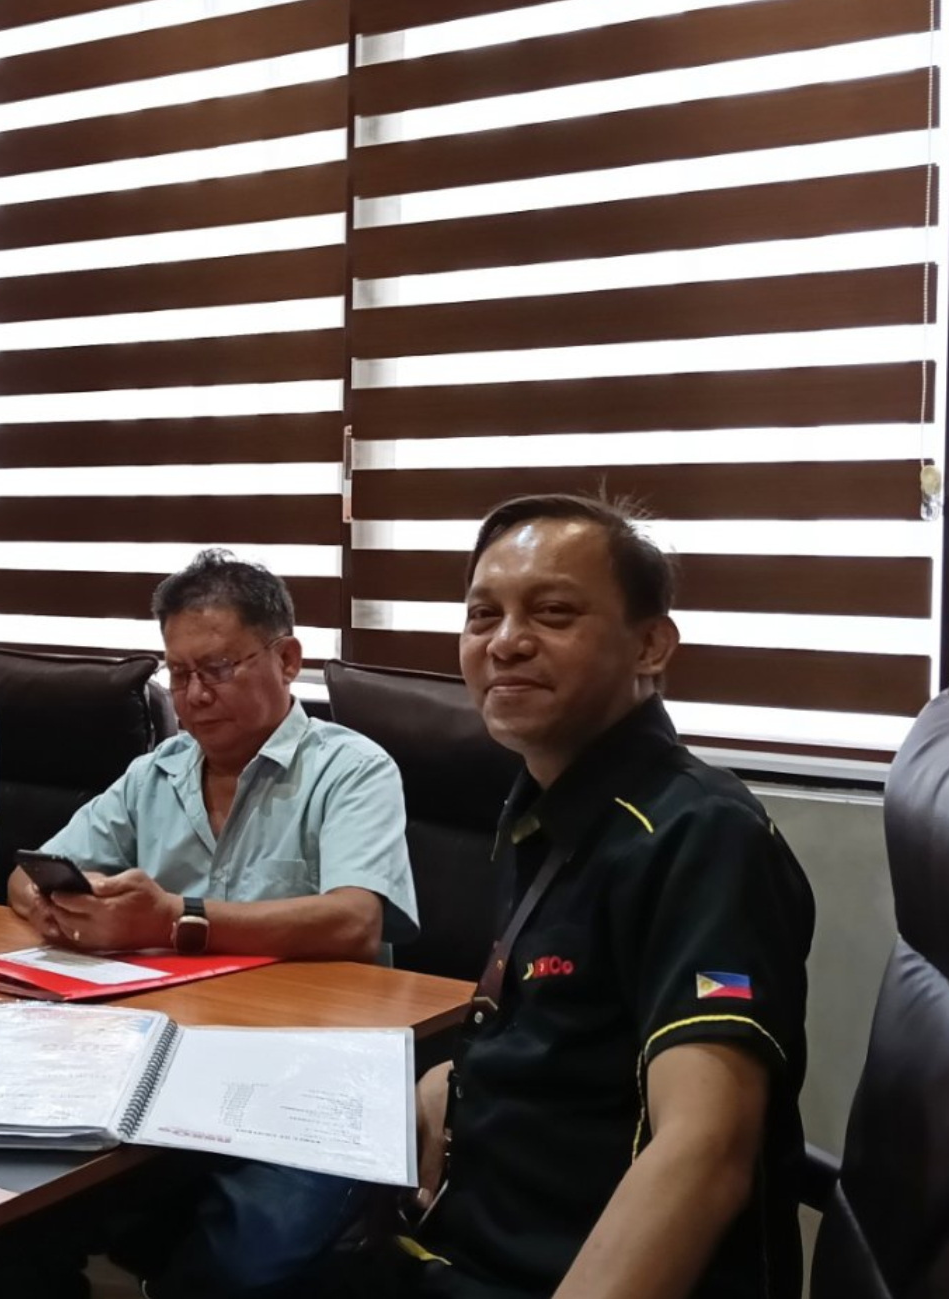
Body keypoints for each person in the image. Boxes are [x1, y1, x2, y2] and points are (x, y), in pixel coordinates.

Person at [319, 493, 815, 1299]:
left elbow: (704, 1151)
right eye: (482, 615)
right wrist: (451, 1085)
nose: (505, 641)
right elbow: (570, 1041)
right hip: (468, 1237)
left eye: (551, 612)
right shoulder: (547, 807)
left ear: (649, 644)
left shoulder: (699, 836)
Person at [5, 549, 420, 1298]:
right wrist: (55, 908)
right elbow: (31, 869)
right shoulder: (155, 771)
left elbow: (356, 920)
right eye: (178, 673)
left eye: (218, 668)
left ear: (287, 659)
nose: (194, 695)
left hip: (314, 1070)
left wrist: (176, 920)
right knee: (13, 1196)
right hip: (160, 1053)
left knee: (248, 1259)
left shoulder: (351, 769)